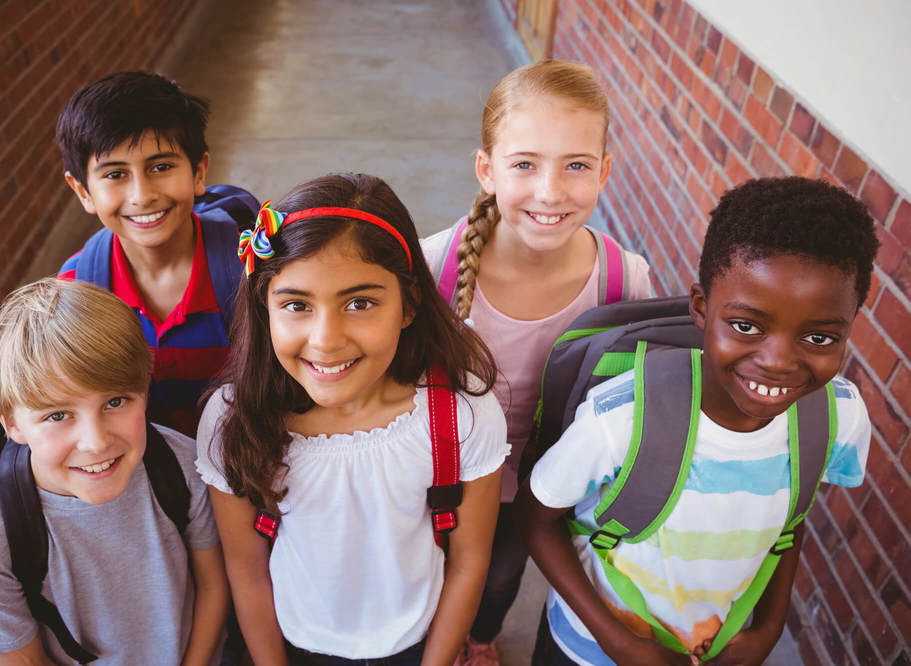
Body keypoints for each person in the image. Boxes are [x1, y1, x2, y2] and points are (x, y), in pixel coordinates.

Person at [514, 177, 879, 665]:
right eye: (747, 326)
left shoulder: (837, 418)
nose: (777, 362)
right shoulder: (623, 419)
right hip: (587, 649)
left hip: (719, 647)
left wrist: (768, 628)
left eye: (818, 338)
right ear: (702, 307)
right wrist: (617, 642)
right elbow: (536, 521)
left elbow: (788, 518)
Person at [196, 172, 509, 665]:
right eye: (296, 305)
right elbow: (247, 570)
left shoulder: (461, 414)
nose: (325, 339)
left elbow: (469, 563)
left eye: (360, 303)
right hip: (294, 643)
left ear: (408, 305)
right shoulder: (235, 419)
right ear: (265, 307)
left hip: (420, 644)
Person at [421, 60, 653, 664]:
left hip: (538, 485)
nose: (551, 191)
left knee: (499, 578)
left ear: (604, 172)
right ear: (487, 169)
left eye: (576, 165)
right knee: (428, 572)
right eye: (524, 164)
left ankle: (480, 636)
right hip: (435, 473)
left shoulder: (623, 280)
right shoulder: (432, 267)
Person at [0, 278, 228, 665]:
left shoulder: (183, 467)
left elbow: (213, 585)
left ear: (144, 391)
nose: (95, 442)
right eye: (58, 415)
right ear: (11, 424)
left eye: (115, 401)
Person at [56, 71, 246, 437]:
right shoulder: (77, 291)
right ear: (82, 191)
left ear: (198, 171)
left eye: (161, 167)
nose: (142, 195)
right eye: (115, 174)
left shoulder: (252, 265)